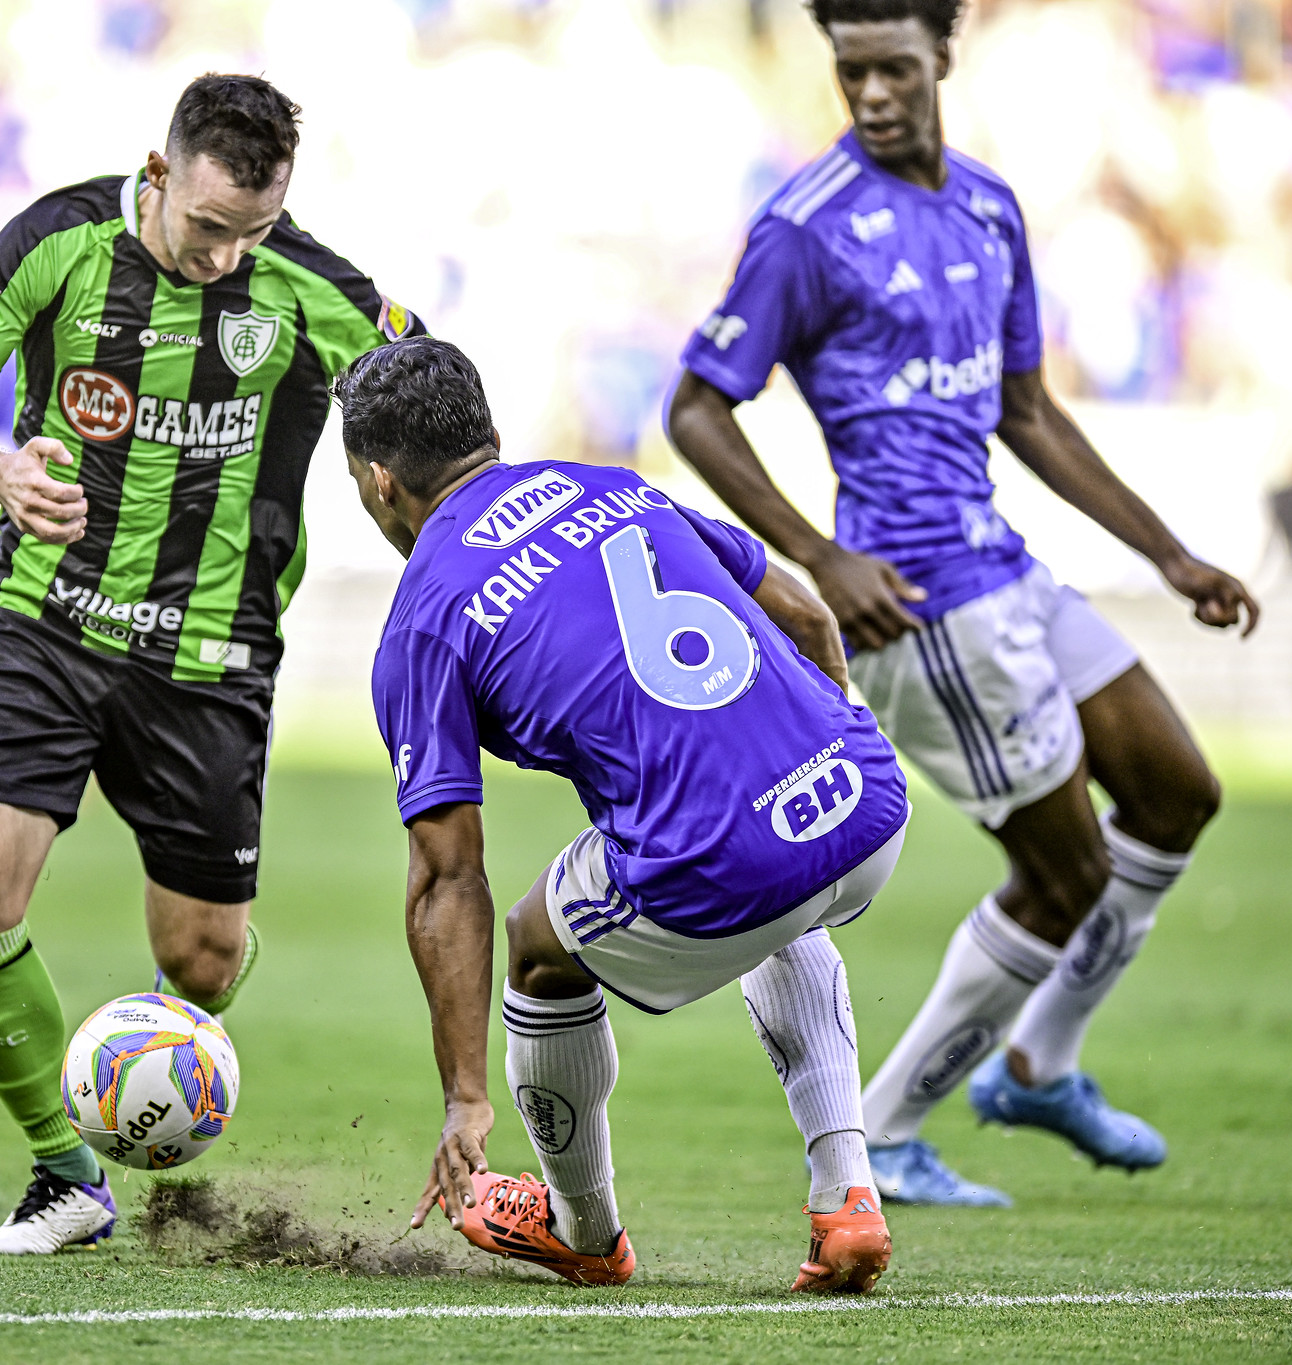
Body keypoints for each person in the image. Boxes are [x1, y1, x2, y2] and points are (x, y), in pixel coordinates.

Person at [667, 0, 1258, 1207]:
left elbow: (1026, 412)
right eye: (849, 73)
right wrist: (817, 557)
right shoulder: (804, 229)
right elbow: (693, 409)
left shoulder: (988, 206)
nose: (871, 93)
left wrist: (1168, 556)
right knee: (1064, 877)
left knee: (1174, 793)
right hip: (917, 605)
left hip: (1006, 565)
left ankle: (1038, 1062)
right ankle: (884, 1132)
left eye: (891, 68)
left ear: (943, 55)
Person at [0, 73, 426, 1255]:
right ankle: (61, 1173)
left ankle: (184, 1019)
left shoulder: (316, 292)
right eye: (207, 227)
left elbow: (433, 417)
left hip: (211, 660)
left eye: (256, 231)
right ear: (157, 174)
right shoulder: (57, 244)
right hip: (42, 618)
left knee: (203, 957)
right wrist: (0, 475)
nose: (228, 258)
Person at [341, 338, 909, 1292]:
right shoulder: (620, 487)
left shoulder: (425, 617)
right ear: (487, 433)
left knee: (535, 943)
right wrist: (824, 738)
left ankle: (584, 1230)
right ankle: (846, 1198)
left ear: (380, 480)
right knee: (787, 896)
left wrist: (465, 1096)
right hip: (867, 801)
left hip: (731, 861)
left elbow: (447, 875)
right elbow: (809, 617)